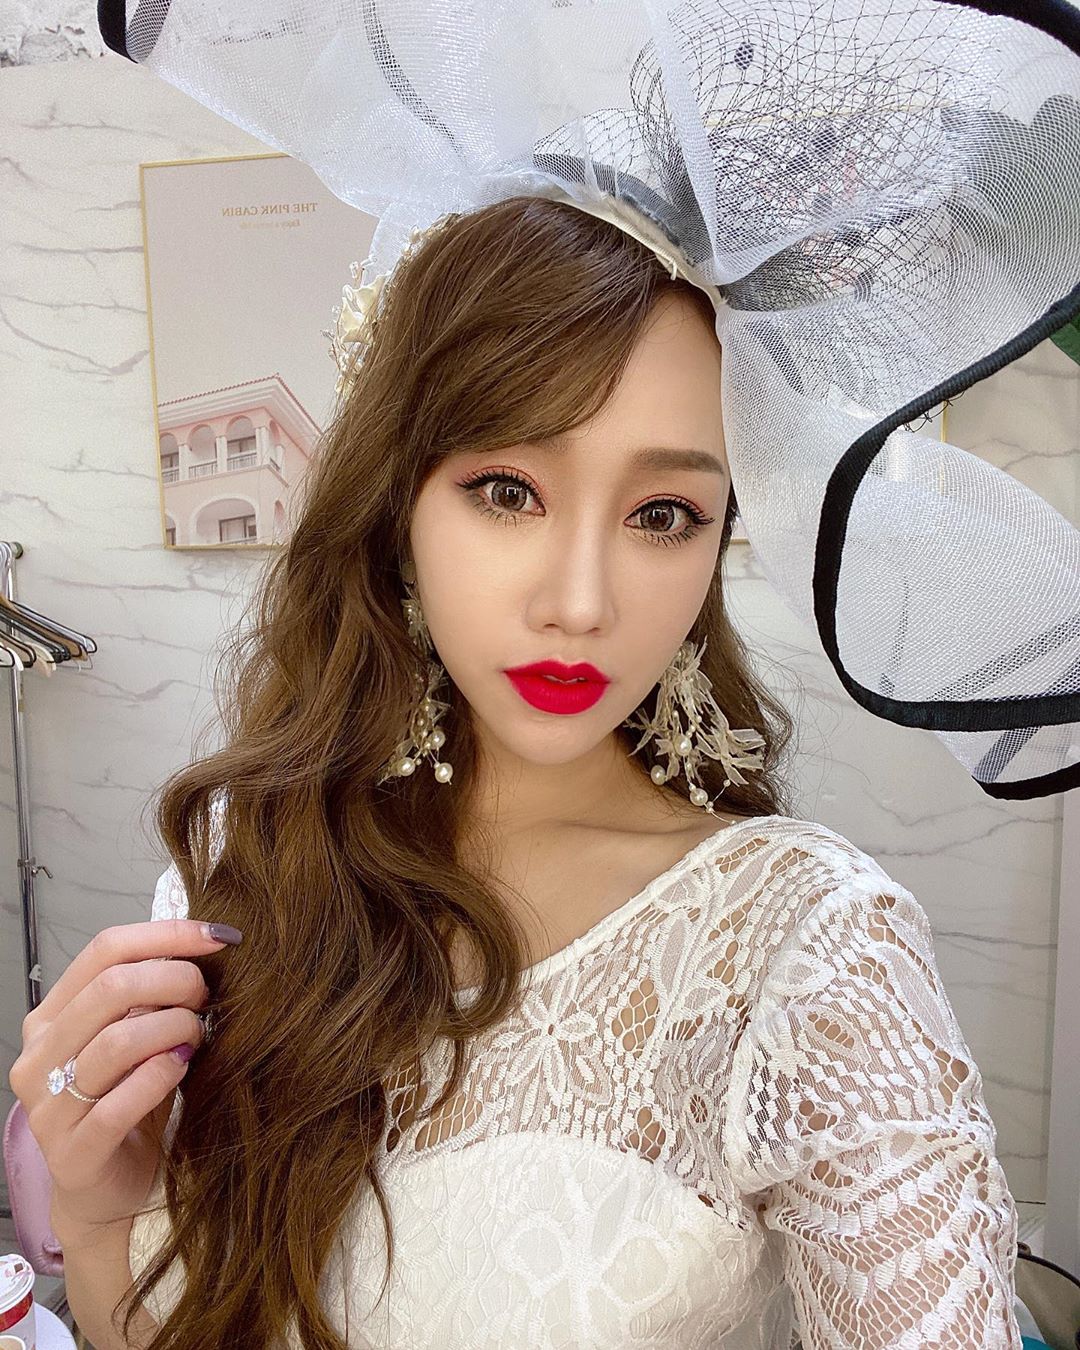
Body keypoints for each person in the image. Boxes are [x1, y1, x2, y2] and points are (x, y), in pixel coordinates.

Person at [16, 193, 1022, 1349]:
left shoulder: (806, 950)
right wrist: (99, 1212)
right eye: (508, 491)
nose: (580, 602)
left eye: (664, 513)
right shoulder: (251, 857)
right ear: (397, 500)